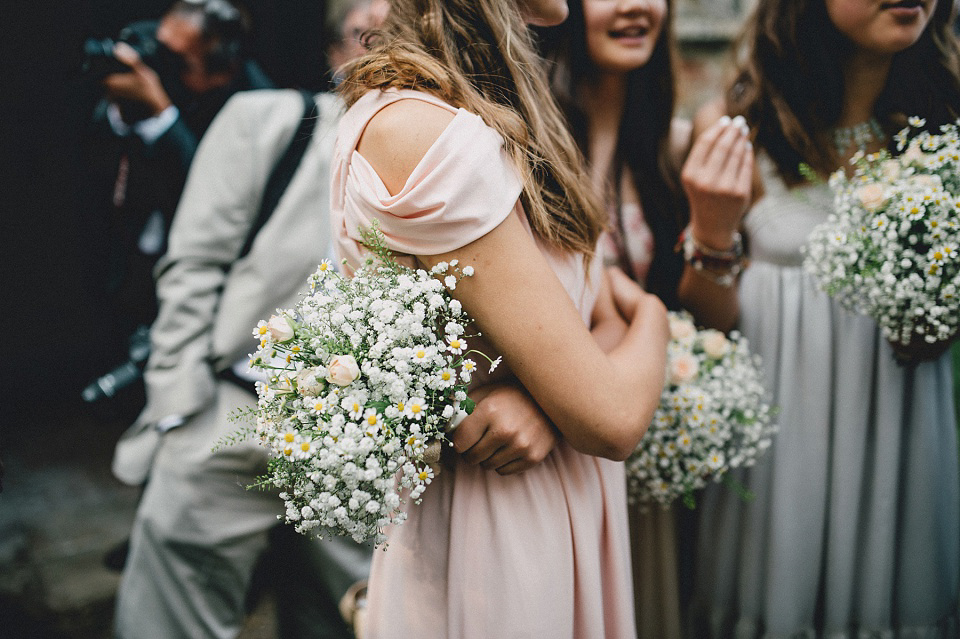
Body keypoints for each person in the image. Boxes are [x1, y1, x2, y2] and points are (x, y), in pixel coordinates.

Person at [329, 0, 672, 637]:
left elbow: (592, 309)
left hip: (556, 495)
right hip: (500, 526)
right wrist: (656, 315)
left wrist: (547, 400)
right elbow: (615, 419)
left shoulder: (495, 111)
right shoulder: (421, 133)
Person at [681, 0, 960, 636]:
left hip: (902, 433)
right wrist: (713, 231)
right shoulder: (733, 127)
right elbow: (709, 325)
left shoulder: (950, 124)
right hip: (780, 443)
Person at [110, 3, 387, 637]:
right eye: (367, 35)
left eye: (404, 35)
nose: (385, 51)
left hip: (357, 450)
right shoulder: (267, 123)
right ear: (334, 51)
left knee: (347, 619)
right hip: (231, 418)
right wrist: (178, 404)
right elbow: (193, 266)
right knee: (169, 619)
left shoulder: (439, 157)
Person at [537, 1, 752, 636]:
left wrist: (715, 233)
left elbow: (717, 323)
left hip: (654, 464)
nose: (636, 5)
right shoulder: (524, 150)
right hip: (556, 456)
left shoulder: (677, 149)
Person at [84, 0, 273, 363]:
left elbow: (217, 201)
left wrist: (162, 118)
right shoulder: (148, 60)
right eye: (159, 44)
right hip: (131, 268)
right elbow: (91, 163)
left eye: (177, 60)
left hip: (211, 286)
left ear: (220, 71)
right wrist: (123, 112)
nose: (158, 61)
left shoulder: (255, 105)